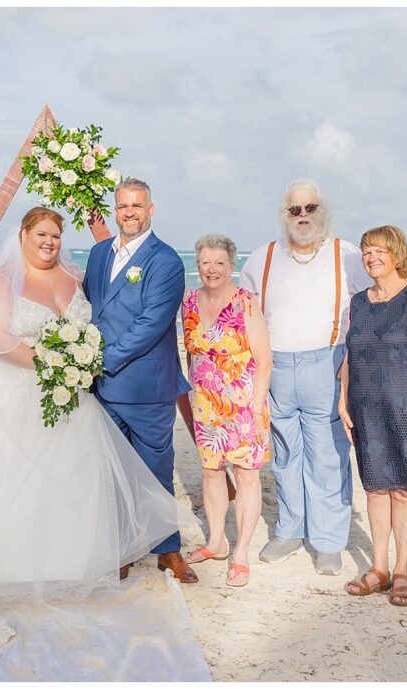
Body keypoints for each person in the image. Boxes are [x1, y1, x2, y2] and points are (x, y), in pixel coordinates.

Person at [0, 207, 198, 669]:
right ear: (22, 235)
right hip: (14, 394)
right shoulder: (4, 279)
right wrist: (54, 365)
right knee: (16, 479)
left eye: (56, 235)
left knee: (71, 479)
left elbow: (95, 324)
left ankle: (71, 562)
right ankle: (11, 564)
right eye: (41, 234)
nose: (49, 242)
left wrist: (77, 363)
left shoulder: (75, 273)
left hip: (72, 397)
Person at [239, 179, 371, 575]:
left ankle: (329, 540)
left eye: (309, 208)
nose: (302, 216)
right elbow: (245, 315)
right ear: (284, 213)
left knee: (328, 456)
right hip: (276, 365)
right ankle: (290, 530)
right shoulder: (262, 257)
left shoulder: (345, 255)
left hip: (327, 363)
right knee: (285, 454)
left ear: (322, 210)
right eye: (295, 209)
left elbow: (370, 309)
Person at [83, 178, 198, 584]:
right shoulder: (98, 254)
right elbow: (88, 308)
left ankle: (168, 550)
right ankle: (123, 549)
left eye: (136, 205)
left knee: (155, 470)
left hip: (147, 386)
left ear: (151, 209)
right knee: (113, 472)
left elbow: (151, 323)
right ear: (115, 210)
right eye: (122, 206)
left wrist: (99, 360)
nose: (128, 212)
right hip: (104, 388)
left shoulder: (165, 261)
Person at [339, 225, 407, 607]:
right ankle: (379, 569)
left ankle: (401, 572)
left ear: (397, 255)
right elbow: (353, 354)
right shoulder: (358, 302)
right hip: (366, 409)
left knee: (403, 490)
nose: (371, 257)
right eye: (366, 251)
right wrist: (342, 400)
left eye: (380, 251)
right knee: (374, 489)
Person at [177, 234, 272, 587]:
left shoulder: (246, 303)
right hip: (205, 405)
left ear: (232, 266)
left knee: (246, 476)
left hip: (244, 404)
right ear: (197, 265)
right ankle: (216, 542)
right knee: (211, 473)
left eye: (219, 262)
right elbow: (192, 355)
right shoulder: (188, 302)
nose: (212, 269)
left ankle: (242, 552)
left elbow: (265, 361)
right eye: (205, 262)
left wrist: (259, 408)